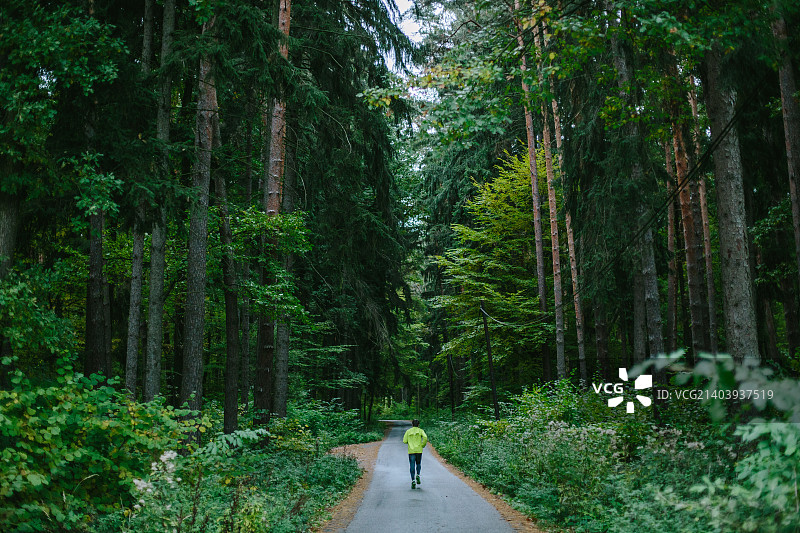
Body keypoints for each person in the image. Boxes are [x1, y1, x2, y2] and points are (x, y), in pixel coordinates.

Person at [403, 419, 428, 489]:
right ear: (418, 425)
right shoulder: (420, 431)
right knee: (418, 463)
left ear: (412, 424)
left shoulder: (408, 431)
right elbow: (425, 437)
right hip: (419, 450)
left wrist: (409, 442)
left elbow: (404, 441)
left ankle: (413, 480)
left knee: (412, 465)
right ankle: (418, 475)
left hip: (411, 451)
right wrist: (422, 445)